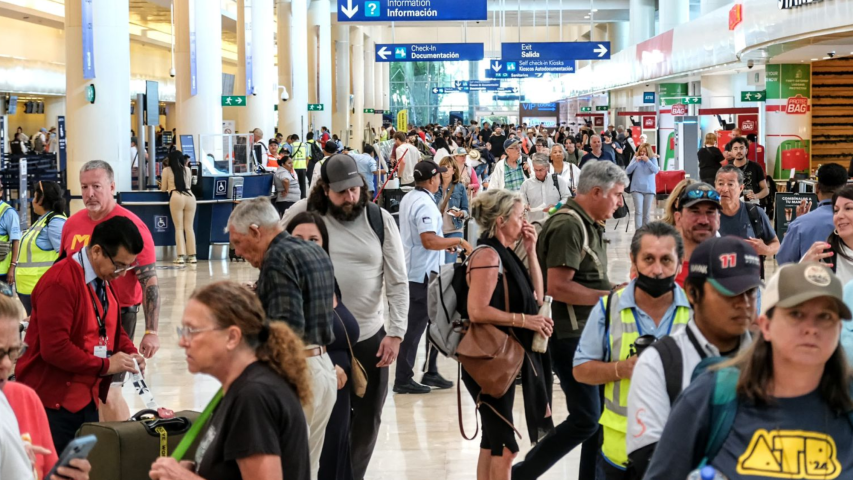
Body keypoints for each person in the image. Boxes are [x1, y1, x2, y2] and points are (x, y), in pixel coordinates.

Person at [644, 261, 851, 480]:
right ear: (766, 326)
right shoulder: (712, 396)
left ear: (838, 329)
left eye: (825, 316)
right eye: (796, 314)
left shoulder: (849, 402)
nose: (811, 328)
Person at [281, 154, 407, 480]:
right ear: (325, 189)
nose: (350, 198)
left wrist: (396, 332)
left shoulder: (379, 219)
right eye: (342, 192)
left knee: (367, 423)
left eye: (355, 189)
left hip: (369, 337)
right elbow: (275, 249)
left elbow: (397, 278)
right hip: (319, 344)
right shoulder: (304, 216)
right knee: (327, 425)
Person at [514, 161, 630, 480]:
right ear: (596, 192)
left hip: (588, 333)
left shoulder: (588, 223)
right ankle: (522, 473)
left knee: (597, 418)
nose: (620, 202)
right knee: (586, 418)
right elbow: (557, 286)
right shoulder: (569, 225)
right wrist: (608, 297)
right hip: (568, 337)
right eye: (617, 195)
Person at [148, 281, 311, 480]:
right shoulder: (238, 389)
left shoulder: (253, 396)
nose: (183, 341)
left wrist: (183, 477)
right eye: (183, 331)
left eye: (193, 331)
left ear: (232, 337)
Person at [629, 236, 760, 478]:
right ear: (692, 292)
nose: (744, 303)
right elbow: (648, 456)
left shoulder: (770, 356)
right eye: (729, 292)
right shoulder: (660, 363)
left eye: (750, 291)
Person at [227, 197, 336, 480]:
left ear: (255, 231)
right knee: (305, 469)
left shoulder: (277, 258)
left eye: (238, 242)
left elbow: (286, 330)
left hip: (296, 374)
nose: (238, 252)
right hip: (323, 368)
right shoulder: (314, 252)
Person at [16, 217, 146, 453]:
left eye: (128, 267)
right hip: (52, 404)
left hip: (86, 400)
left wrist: (130, 352)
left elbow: (112, 326)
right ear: (97, 251)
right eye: (119, 265)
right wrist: (106, 365)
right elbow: (54, 349)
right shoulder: (60, 283)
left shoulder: (103, 277)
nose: (122, 273)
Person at [573, 222, 692, 478]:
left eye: (666, 260)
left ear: (680, 263)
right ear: (633, 260)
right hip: (619, 453)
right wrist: (622, 368)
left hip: (678, 451)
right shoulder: (608, 308)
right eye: (648, 259)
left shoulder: (697, 313)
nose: (657, 270)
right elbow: (581, 370)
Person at [463, 189, 555, 480]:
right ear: (501, 220)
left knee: (492, 443)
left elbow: (538, 295)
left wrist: (531, 250)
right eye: (520, 216)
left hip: (501, 358)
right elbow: (476, 310)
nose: (524, 221)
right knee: (506, 448)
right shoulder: (488, 255)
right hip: (487, 361)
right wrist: (525, 321)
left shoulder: (507, 255)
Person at [60, 160, 160, 421]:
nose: (89, 194)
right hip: (79, 316)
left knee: (110, 389)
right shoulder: (72, 224)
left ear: (112, 187)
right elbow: (60, 268)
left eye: (96, 186)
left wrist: (152, 332)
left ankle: (121, 447)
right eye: (84, 187)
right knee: (88, 387)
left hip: (117, 317)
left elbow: (148, 281)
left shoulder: (131, 226)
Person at [286, 213, 360, 480]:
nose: (306, 245)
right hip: (310, 384)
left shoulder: (326, 277)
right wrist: (328, 364)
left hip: (333, 388)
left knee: (334, 457)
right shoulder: (284, 283)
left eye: (314, 240)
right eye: (298, 239)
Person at [396, 162, 472, 394]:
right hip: (422, 277)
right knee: (418, 328)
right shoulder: (424, 204)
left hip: (418, 270)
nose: (440, 179)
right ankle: (404, 378)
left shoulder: (411, 197)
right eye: (438, 176)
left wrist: (444, 246)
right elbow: (429, 240)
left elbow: (429, 239)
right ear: (432, 180)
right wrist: (458, 241)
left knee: (434, 323)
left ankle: (430, 370)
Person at [777, 163, 848, 264]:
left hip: (809, 277)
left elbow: (784, 261)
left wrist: (802, 221)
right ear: (846, 188)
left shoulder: (799, 224)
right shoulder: (849, 220)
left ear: (817, 188)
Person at [715, 165, 779, 276]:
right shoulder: (708, 215)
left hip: (749, 284)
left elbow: (776, 244)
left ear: (741, 188)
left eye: (730, 184)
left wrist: (765, 249)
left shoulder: (754, 212)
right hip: (716, 284)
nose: (724, 189)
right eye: (720, 184)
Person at [15, 181, 67, 315]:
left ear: (41, 198)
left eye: (34, 196)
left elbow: (66, 257)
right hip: (30, 288)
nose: (32, 201)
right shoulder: (42, 220)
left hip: (41, 288)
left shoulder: (55, 222)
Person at [671, 182, 721, 287]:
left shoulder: (731, 272)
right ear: (678, 218)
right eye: (695, 212)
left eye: (710, 212)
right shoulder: (660, 271)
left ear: (719, 220)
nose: (703, 221)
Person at [801, 184, 853, 284]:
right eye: (836, 210)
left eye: (848, 208)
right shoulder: (823, 255)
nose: (839, 216)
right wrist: (802, 269)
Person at [160, 150, 197, 265]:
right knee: (189, 227)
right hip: (190, 196)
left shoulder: (166, 170)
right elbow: (189, 185)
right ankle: (192, 256)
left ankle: (180, 256)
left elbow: (164, 188)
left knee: (179, 228)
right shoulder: (187, 170)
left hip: (176, 196)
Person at [436, 157, 470, 264]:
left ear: (453, 170)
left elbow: (466, 210)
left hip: (454, 231)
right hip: (437, 232)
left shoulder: (460, 188)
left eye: (448, 167)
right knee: (437, 264)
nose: (445, 170)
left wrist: (460, 213)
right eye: (443, 167)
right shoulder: (434, 187)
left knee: (449, 264)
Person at [520, 154, 571, 223]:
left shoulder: (558, 180)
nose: (538, 173)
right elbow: (522, 202)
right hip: (535, 225)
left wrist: (556, 206)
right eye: (536, 170)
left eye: (541, 170)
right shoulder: (526, 185)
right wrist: (524, 206)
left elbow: (567, 198)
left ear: (547, 167)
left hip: (555, 223)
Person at [626, 143, 661, 229]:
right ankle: (638, 232)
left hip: (649, 189)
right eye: (641, 151)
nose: (642, 153)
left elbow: (656, 170)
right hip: (636, 189)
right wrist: (635, 162)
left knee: (646, 213)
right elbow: (627, 171)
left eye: (644, 151)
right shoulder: (635, 158)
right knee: (638, 211)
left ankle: (646, 232)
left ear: (648, 152)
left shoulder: (653, 159)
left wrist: (647, 161)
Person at [730, 136, 768, 204]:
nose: (738, 151)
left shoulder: (756, 166)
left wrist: (756, 196)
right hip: (733, 205)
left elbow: (766, 190)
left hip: (752, 204)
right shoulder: (727, 169)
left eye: (741, 148)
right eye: (735, 148)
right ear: (731, 152)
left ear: (746, 150)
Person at [0, 183, 21, 287]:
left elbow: (16, 240)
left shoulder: (8, 212)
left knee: (3, 303)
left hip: (2, 272)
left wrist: (12, 267)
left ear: (1, 192)